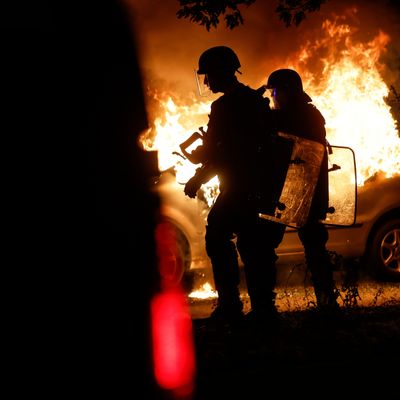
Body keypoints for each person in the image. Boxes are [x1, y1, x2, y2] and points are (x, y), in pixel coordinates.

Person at [184, 46, 287, 326]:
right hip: (260, 186)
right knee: (254, 245)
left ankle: (232, 305)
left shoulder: (225, 106)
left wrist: (198, 176)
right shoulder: (252, 101)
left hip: (242, 186)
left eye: (209, 75)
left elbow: (224, 153)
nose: (207, 82)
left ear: (221, 72)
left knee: (218, 236)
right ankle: (263, 308)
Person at [265, 68, 339, 310]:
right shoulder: (311, 114)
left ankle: (266, 307)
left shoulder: (294, 117)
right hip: (304, 191)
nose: (274, 97)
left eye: (275, 91)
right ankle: (327, 303)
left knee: (265, 245)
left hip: (296, 190)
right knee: (314, 247)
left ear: (287, 91)